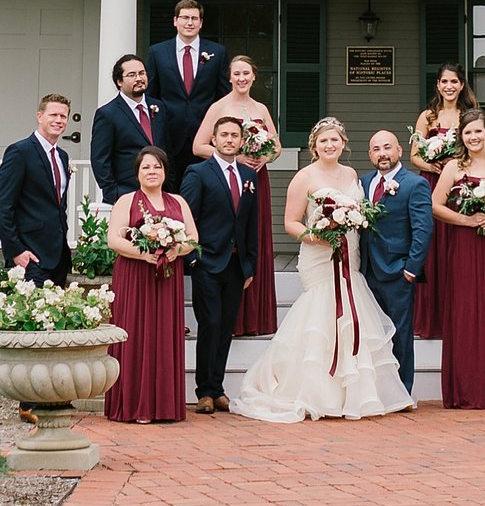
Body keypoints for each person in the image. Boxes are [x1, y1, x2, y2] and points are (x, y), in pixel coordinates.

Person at [229, 118, 415, 422]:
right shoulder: (304, 177)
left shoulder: (353, 174)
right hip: (318, 257)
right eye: (323, 141)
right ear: (314, 145)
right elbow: (290, 222)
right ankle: (315, 393)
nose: (330, 145)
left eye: (335, 140)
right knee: (320, 317)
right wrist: (315, 236)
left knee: (353, 318)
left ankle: (354, 395)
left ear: (343, 143)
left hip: (350, 256)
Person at [431, 109, 485, 410]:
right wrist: (465, 221)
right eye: (468, 133)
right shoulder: (454, 167)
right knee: (466, 309)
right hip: (465, 244)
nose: (474, 137)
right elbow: (435, 205)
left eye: (478, 132)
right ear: (462, 137)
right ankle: (465, 387)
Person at [189, 54, 281, 337]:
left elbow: (276, 146)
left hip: (255, 179)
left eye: (246, 74)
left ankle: (256, 318)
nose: (241, 78)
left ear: (254, 77)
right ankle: (234, 319)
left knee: (254, 237)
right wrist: (234, 157)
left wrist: (264, 158)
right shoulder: (219, 107)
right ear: (230, 77)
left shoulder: (261, 108)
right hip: (230, 177)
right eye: (236, 74)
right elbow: (198, 146)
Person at [104, 145, 196, 423]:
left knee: (164, 336)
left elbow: (193, 238)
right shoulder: (126, 201)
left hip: (167, 279)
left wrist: (176, 250)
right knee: (134, 335)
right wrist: (144, 253)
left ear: (165, 171)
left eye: (157, 166)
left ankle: (164, 406)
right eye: (146, 167)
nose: (152, 171)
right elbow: (114, 240)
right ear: (137, 173)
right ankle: (134, 405)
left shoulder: (178, 202)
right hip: (134, 277)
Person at [177, 116, 258, 415]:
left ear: (240, 141)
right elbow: (187, 217)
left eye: (234, 135)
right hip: (208, 261)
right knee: (209, 324)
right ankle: (204, 392)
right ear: (214, 139)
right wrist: (193, 258)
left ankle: (219, 387)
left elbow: (251, 224)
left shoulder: (248, 175)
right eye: (223, 135)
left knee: (226, 327)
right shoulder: (198, 172)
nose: (229, 140)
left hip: (237, 264)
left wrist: (250, 265)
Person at [359, 129, 431, 399]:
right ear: (370, 155)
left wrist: (411, 269)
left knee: (400, 335)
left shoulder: (414, 184)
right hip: (366, 271)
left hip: (398, 272)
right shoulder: (363, 182)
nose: (382, 154)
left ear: (400, 151)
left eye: (387, 147)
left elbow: (423, 230)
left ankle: (401, 392)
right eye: (376, 149)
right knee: (371, 335)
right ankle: (374, 389)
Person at [406, 64, 469, 340]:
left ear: (462, 85)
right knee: (431, 248)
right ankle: (431, 318)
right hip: (430, 183)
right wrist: (433, 166)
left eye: (454, 81)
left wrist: (456, 167)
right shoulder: (427, 117)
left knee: (457, 248)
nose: (449, 86)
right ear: (438, 85)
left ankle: (458, 317)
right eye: (444, 81)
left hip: (462, 187)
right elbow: (414, 156)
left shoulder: (468, 116)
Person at [0, 94, 76, 286]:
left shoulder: (62, 156)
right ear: (39, 116)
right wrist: (16, 250)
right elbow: (2, 205)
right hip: (31, 256)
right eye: (53, 114)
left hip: (58, 256)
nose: (58, 120)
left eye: (63, 116)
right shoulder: (20, 152)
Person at [147, 0, 229, 183]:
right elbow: (151, 95)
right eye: (184, 17)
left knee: (204, 189)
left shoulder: (217, 52)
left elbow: (224, 96)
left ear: (201, 23)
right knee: (170, 190)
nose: (189, 23)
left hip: (205, 136)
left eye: (194, 18)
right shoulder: (157, 52)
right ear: (175, 21)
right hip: (168, 133)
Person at [90, 54, 163, 204]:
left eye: (142, 73)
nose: (139, 78)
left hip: (160, 194)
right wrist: (114, 194)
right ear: (119, 81)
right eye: (131, 75)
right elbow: (100, 159)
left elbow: (167, 148)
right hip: (126, 195)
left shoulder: (159, 108)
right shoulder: (107, 114)